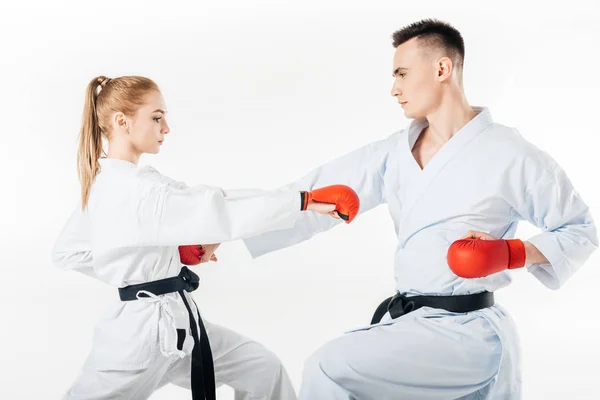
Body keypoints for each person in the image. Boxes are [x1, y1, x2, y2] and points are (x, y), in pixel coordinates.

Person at [241, 19, 598, 399]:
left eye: (402, 74)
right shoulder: (394, 153)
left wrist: (511, 253)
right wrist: (226, 230)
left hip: (469, 333)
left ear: (442, 69)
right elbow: (313, 194)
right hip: (415, 327)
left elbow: (580, 229)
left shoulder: (511, 153)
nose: (394, 89)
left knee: (329, 368)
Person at [51, 75, 360, 400]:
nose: (166, 127)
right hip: (143, 332)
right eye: (157, 117)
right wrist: (303, 201)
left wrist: (156, 259)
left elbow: (67, 251)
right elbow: (220, 210)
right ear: (122, 122)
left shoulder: (111, 184)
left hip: (178, 323)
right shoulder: (137, 191)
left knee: (261, 369)